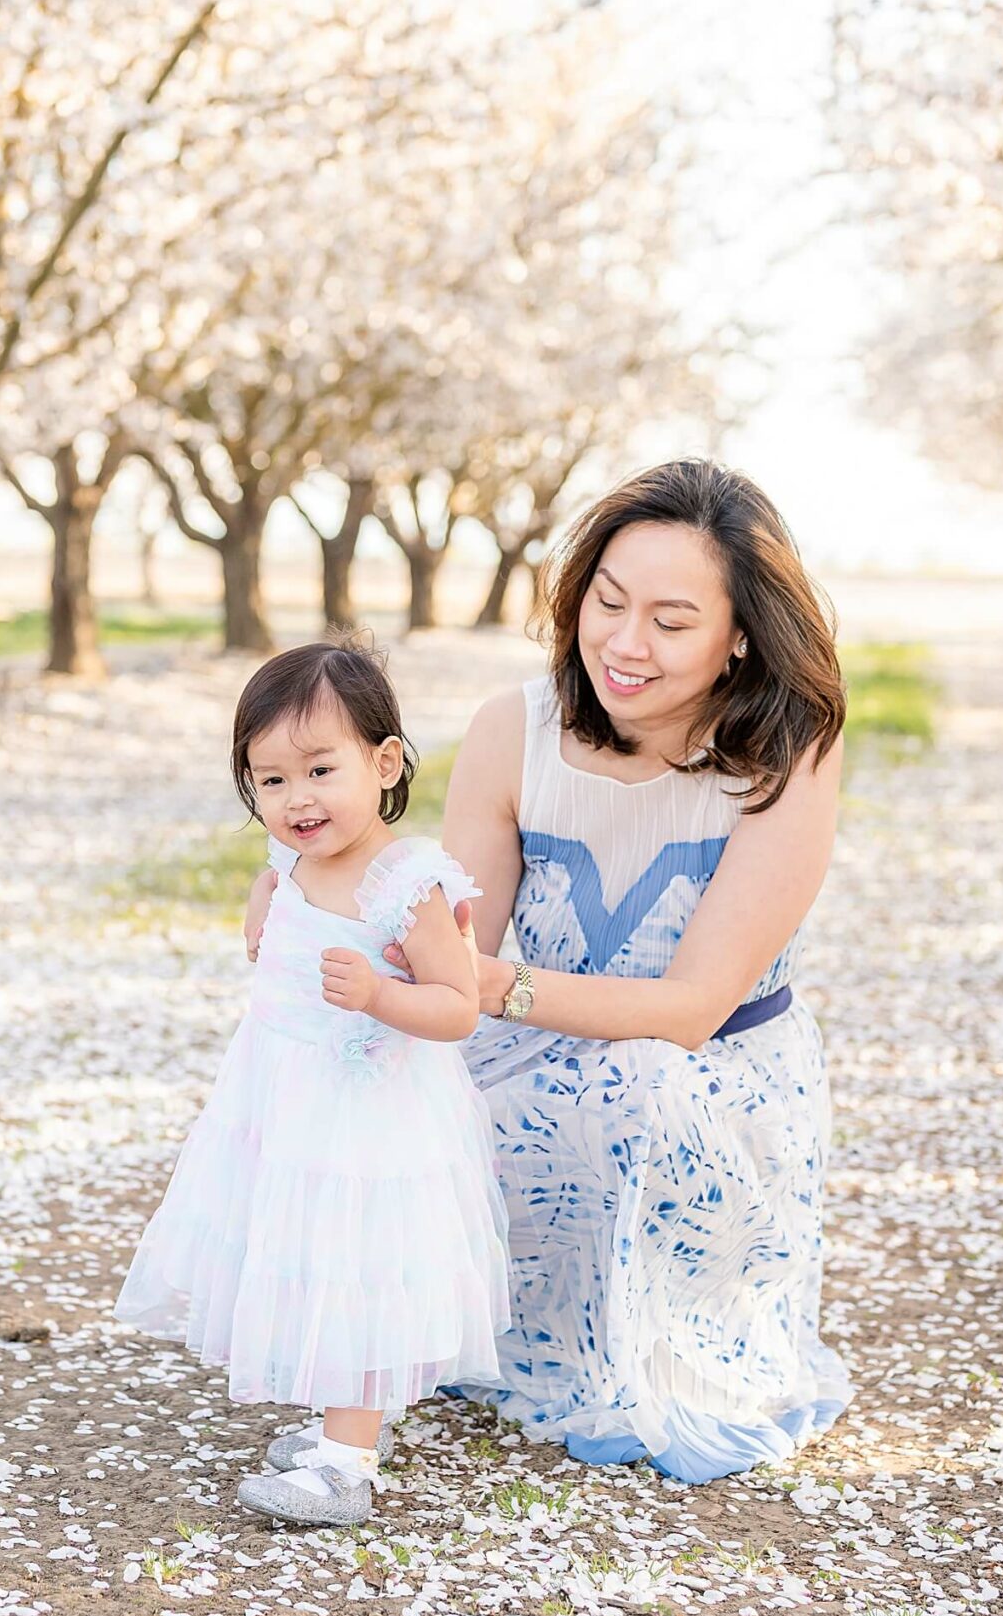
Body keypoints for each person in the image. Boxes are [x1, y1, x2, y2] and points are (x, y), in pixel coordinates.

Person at [438, 458, 852, 1484]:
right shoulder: (513, 729)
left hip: (713, 1081)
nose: (623, 643)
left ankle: (663, 1351)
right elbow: (453, 942)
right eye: (606, 602)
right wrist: (305, 880)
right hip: (536, 1059)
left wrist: (488, 991)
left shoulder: (785, 752)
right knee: (404, 1078)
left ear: (738, 634)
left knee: (643, 1081)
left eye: (670, 621)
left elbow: (690, 1009)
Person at [115, 638, 509, 1527]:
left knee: (355, 1263)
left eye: (321, 770)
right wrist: (267, 896)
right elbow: (281, 889)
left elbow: (457, 1007)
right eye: (271, 779)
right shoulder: (292, 860)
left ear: (383, 762)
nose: (298, 800)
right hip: (284, 1099)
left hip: (366, 1111)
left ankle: (345, 1461)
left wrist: (379, 994)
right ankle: (338, 1421)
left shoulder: (408, 883)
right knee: (301, 1254)